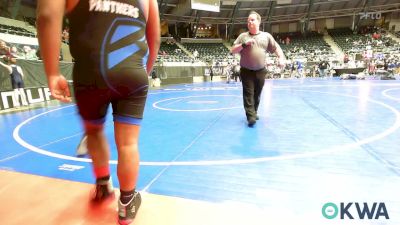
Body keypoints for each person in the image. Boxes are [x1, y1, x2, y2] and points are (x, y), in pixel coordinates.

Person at [36, 1, 160, 224]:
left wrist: (52, 72)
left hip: (90, 72)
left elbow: (46, 15)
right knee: (128, 143)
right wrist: (143, 74)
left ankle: (103, 185)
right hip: (132, 73)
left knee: (93, 132)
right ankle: (126, 205)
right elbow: (155, 38)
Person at [231, 11, 285, 127]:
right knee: (248, 93)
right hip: (246, 70)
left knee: (257, 93)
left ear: (258, 22)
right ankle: (250, 116)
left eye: (252, 20)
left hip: (261, 70)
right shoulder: (243, 36)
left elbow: (276, 48)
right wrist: (244, 44)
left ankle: (254, 111)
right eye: (248, 20)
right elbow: (233, 50)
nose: (249, 22)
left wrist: (281, 58)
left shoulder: (266, 36)